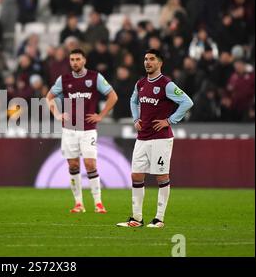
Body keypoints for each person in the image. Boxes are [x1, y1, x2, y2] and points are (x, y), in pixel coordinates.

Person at [117, 49, 193, 228]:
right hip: (142, 137)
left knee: (161, 176)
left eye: (152, 59)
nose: (147, 62)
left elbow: (187, 102)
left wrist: (170, 120)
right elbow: (133, 101)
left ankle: (159, 219)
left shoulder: (166, 84)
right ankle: (137, 218)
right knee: (136, 175)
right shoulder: (141, 83)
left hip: (161, 138)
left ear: (160, 63)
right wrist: (136, 118)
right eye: (145, 59)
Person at [46, 49, 118, 214]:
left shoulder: (95, 77)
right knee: (73, 164)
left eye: (78, 59)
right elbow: (48, 97)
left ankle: (98, 203)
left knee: (90, 164)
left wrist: (101, 115)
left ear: (84, 60)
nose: (75, 62)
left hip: (88, 129)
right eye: (72, 60)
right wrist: (57, 114)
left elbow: (113, 96)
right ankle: (78, 203)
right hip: (69, 129)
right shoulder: (64, 80)